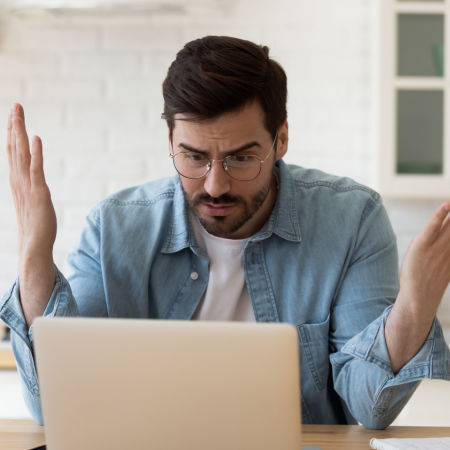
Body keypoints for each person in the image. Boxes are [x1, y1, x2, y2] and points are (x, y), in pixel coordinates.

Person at [1, 36, 449, 428]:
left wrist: (415, 305)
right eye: (194, 157)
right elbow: (60, 406)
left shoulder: (352, 219)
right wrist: (34, 253)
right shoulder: (114, 228)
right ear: (170, 143)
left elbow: (367, 405)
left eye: (240, 158)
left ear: (282, 139)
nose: (215, 185)